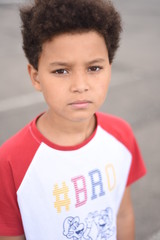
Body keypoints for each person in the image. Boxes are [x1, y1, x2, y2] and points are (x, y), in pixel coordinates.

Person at [0, 0, 146, 239]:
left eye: (94, 68)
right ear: (36, 77)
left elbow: (122, 214)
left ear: (110, 67)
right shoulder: (10, 161)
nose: (80, 86)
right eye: (61, 71)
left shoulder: (121, 135)